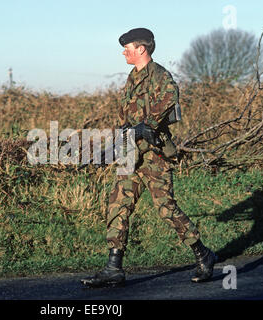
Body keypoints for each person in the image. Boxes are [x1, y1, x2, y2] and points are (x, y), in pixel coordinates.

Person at [80, 28, 217, 288]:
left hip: (154, 157)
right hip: (132, 155)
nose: (124, 52)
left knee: (166, 209)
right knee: (118, 205)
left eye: (127, 47)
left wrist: (145, 126)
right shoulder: (132, 78)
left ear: (141, 49)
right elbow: (128, 122)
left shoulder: (161, 77)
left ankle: (203, 254)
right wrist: (112, 149)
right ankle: (113, 268)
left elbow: (164, 106)